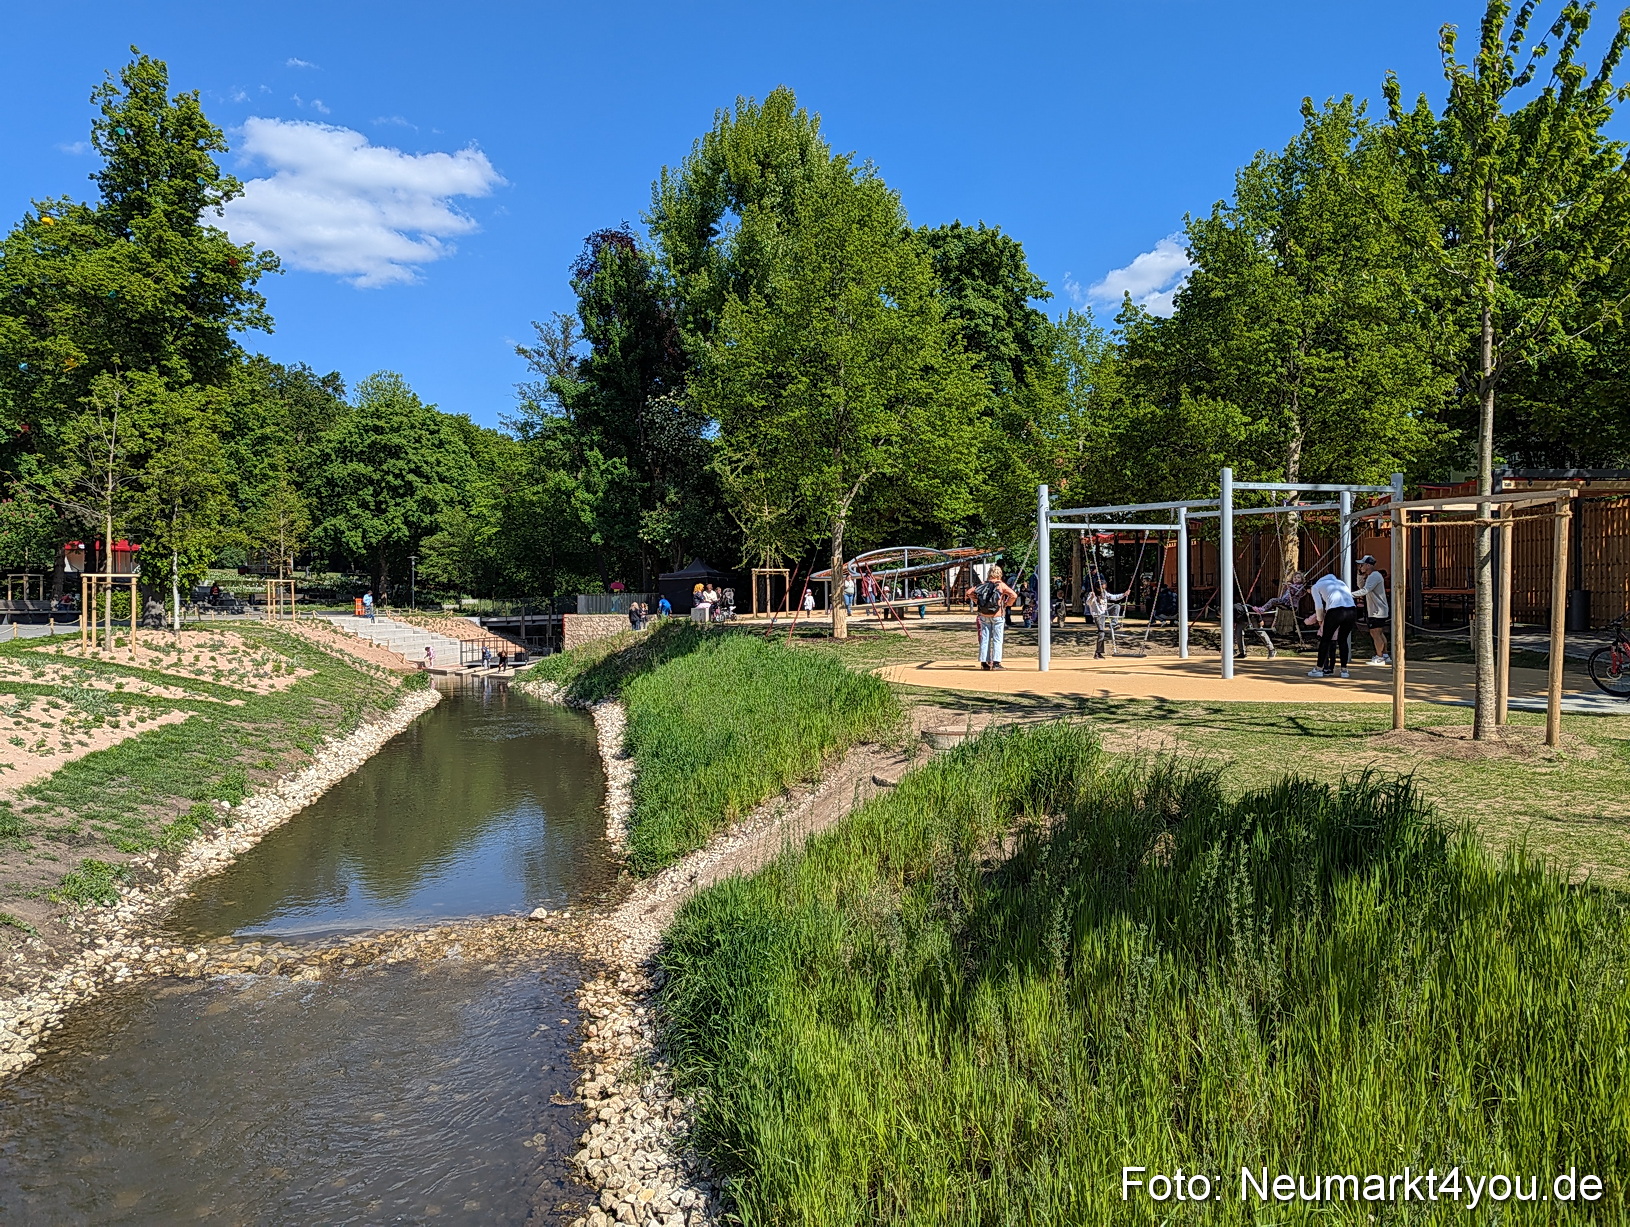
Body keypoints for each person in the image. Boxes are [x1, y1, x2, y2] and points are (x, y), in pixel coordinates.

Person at [1304, 571, 1358, 678]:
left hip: (1335, 611)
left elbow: (1319, 606)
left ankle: (1319, 669)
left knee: (1325, 639)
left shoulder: (1316, 586)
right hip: (1352, 610)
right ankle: (1344, 670)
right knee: (1343, 640)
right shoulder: (1340, 582)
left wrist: (1320, 619)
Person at [966, 566, 1018, 670]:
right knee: (997, 639)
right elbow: (1014, 595)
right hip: (998, 615)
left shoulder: (983, 584)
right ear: (1000, 574)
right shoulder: (1001, 585)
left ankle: (984, 662)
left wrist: (977, 602)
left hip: (984, 615)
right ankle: (996, 663)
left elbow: (969, 592)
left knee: (985, 638)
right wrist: (1007, 604)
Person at [1354, 555, 1391, 664]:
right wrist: (1360, 574)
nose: (1360, 566)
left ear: (1368, 565)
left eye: (1362, 564)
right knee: (1379, 633)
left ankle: (1379, 657)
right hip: (1376, 610)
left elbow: (1365, 590)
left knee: (1375, 633)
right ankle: (1385, 654)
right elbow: (1361, 586)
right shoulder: (1371, 576)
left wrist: (1349, 594)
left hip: (1377, 610)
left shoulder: (1374, 576)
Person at [1084, 576, 1129, 659]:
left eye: (1104, 587)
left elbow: (1114, 597)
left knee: (1116, 606)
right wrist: (1092, 597)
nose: (1103, 590)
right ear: (1097, 588)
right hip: (1098, 615)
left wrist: (1124, 595)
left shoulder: (1104, 593)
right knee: (1101, 633)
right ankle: (1098, 652)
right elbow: (1088, 603)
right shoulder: (1092, 593)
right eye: (1101, 588)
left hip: (1105, 612)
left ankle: (1113, 624)